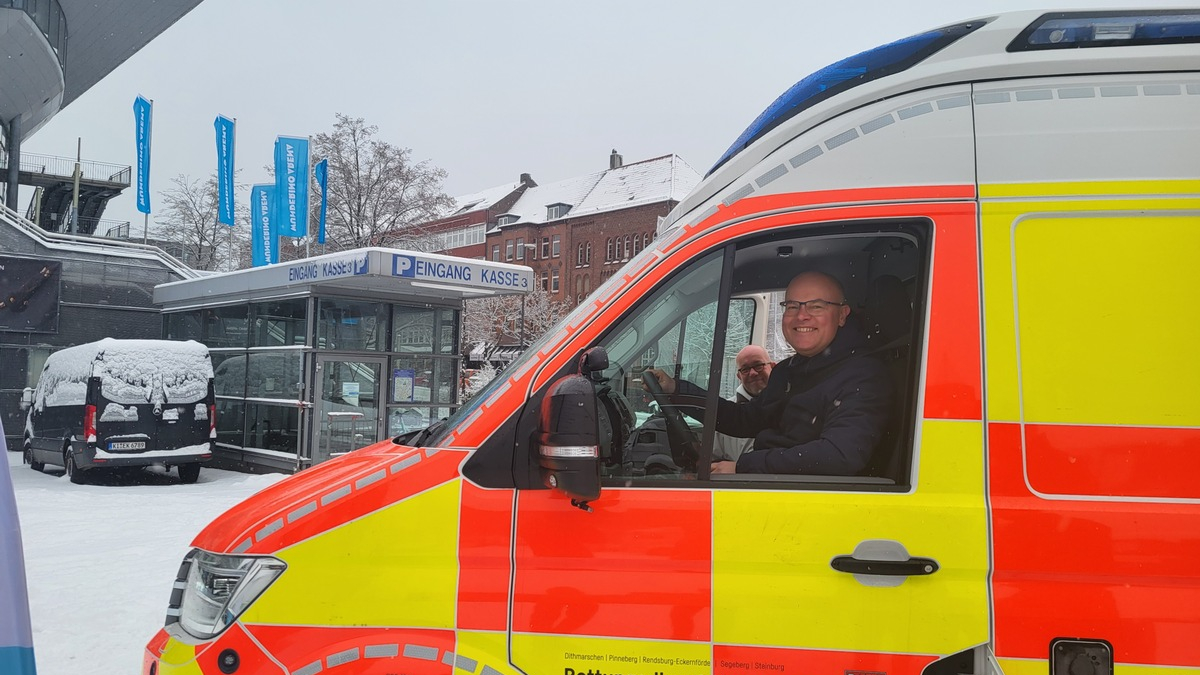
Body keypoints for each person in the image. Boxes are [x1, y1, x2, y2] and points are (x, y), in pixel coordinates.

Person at [646, 271, 891, 476]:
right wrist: (676, 390)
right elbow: (744, 419)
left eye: (816, 306)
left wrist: (742, 467)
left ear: (842, 314)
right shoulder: (790, 370)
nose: (801, 315)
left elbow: (838, 456)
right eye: (792, 306)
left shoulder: (863, 375)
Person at [711, 345, 773, 461]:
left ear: (773, 367)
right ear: (739, 376)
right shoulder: (724, 414)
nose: (753, 373)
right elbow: (713, 460)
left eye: (758, 365)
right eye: (745, 369)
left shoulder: (792, 405)